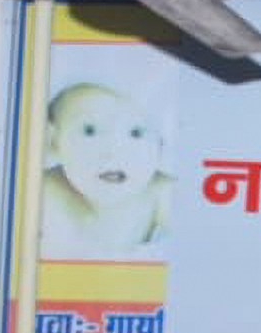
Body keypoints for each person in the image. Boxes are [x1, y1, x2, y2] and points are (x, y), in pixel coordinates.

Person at [40, 80, 174, 259]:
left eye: (136, 133)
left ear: (161, 145)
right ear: (53, 142)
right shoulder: (46, 191)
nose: (113, 152)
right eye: (89, 131)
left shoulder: (163, 193)